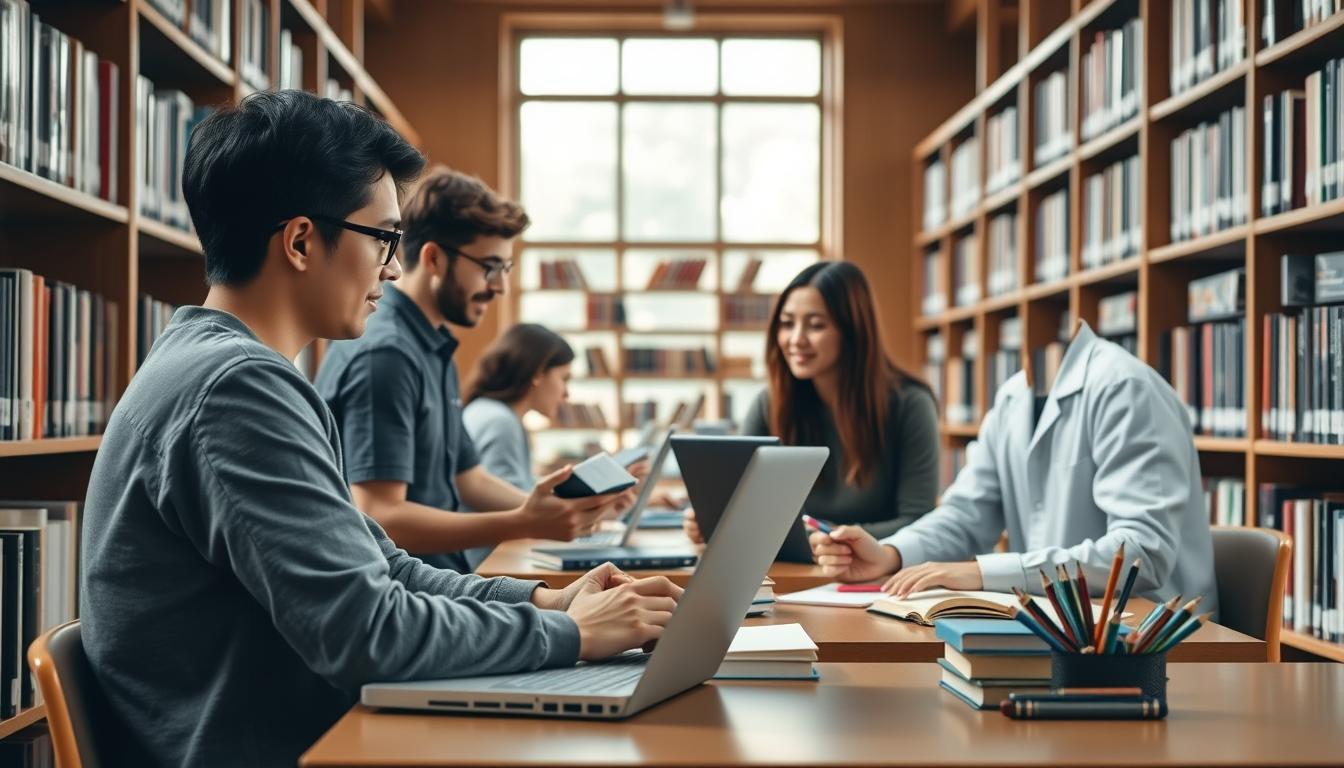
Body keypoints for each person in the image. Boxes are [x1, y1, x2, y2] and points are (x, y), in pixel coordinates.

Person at [80, 91, 681, 767]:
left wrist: (545, 598)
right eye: (384, 238)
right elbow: (365, 632)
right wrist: (568, 634)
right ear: (303, 241)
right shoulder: (237, 390)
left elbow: (383, 566)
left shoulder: (219, 366)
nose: (394, 267)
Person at [316, 168, 636, 573]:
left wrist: (565, 507)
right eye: (490, 267)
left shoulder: (433, 345)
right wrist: (523, 522)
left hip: (442, 583)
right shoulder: (387, 355)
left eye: (506, 268)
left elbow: (470, 479)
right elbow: (383, 516)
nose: (500, 286)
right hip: (404, 597)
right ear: (434, 258)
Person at [809, 320, 1220, 618]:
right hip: (1061, 626)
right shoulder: (1013, 397)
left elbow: (1140, 555)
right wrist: (890, 553)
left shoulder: (1125, 388)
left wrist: (981, 572)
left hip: (1151, 639)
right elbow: (967, 516)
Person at [683, 261, 940, 555]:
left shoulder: (910, 405)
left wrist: (827, 539)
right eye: (787, 323)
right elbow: (742, 512)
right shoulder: (770, 403)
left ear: (852, 331)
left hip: (876, 581)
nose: (796, 339)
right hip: (788, 575)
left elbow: (919, 522)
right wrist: (713, 523)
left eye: (816, 325)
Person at [462, 323, 574, 491]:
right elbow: (507, 505)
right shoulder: (500, 422)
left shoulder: (485, 410)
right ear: (538, 373)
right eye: (564, 379)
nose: (566, 394)